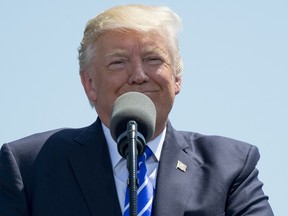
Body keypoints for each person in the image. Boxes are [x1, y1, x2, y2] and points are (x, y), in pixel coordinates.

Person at [0, 4, 273, 216]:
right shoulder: (30, 166)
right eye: (118, 62)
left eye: (153, 59)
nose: (139, 75)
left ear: (177, 78)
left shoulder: (230, 165)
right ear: (90, 84)